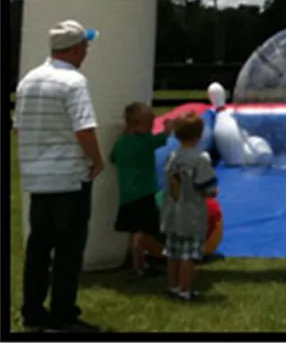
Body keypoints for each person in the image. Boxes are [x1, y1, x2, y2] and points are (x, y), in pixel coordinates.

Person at [13, 19, 105, 333]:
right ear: (76, 48)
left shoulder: (28, 80)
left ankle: (33, 311)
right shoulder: (74, 82)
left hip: (38, 178)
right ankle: (64, 314)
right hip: (68, 176)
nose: (87, 51)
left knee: (39, 247)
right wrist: (96, 160)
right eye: (86, 45)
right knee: (68, 249)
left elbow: (18, 128)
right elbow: (84, 128)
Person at [110, 103, 175, 277]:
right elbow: (161, 138)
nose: (152, 127)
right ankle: (139, 265)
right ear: (140, 124)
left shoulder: (122, 143)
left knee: (137, 231)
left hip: (128, 193)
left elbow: (113, 158)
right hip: (142, 192)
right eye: (150, 123)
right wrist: (169, 128)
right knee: (141, 231)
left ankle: (141, 262)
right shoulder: (144, 142)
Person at [161, 113, 218, 301]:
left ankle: (172, 285)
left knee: (173, 253)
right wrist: (212, 192)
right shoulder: (200, 158)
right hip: (191, 214)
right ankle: (184, 289)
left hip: (171, 212)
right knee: (188, 255)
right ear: (199, 135)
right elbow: (206, 187)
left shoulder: (172, 156)